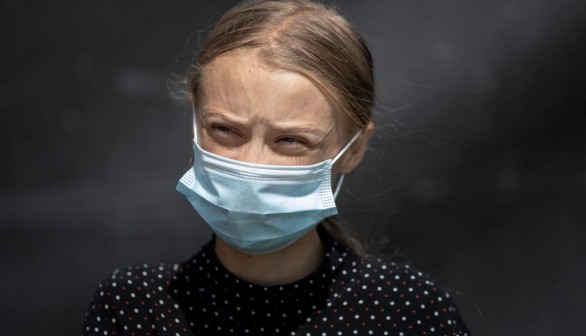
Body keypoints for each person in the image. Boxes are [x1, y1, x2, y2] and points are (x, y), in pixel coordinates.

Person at [83, 0, 470, 335]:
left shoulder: (407, 314)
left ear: (354, 149)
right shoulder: (136, 309)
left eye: (291, 141)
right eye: (225, 130)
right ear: (195, 121)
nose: (252, 165)